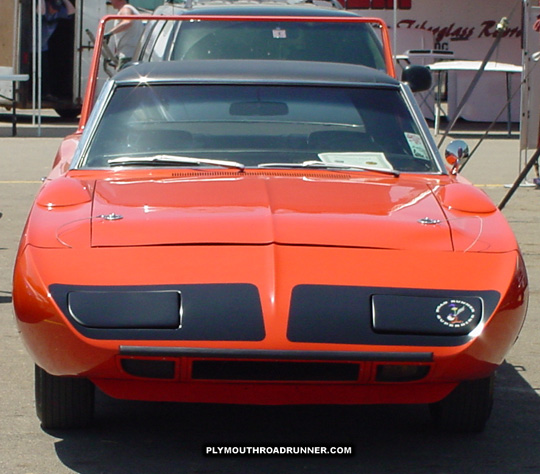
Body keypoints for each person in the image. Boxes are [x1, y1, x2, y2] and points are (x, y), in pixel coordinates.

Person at [39, 0, 75, 100]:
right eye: (54, 8)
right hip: (32, 47)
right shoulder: (43, 10)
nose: (56, 11)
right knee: (37, 71)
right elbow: (40, 12)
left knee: (45, 71)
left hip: (43, 47)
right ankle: (40, 94)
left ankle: (46, 93)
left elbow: (72, 11)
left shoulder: (57, 12)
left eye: (57, 8)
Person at [104, 0, 144, 70]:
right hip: (132, 53)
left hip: (128, 54)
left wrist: (110, 33)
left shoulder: (125, 9)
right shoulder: (131, 9)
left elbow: (127, 21)